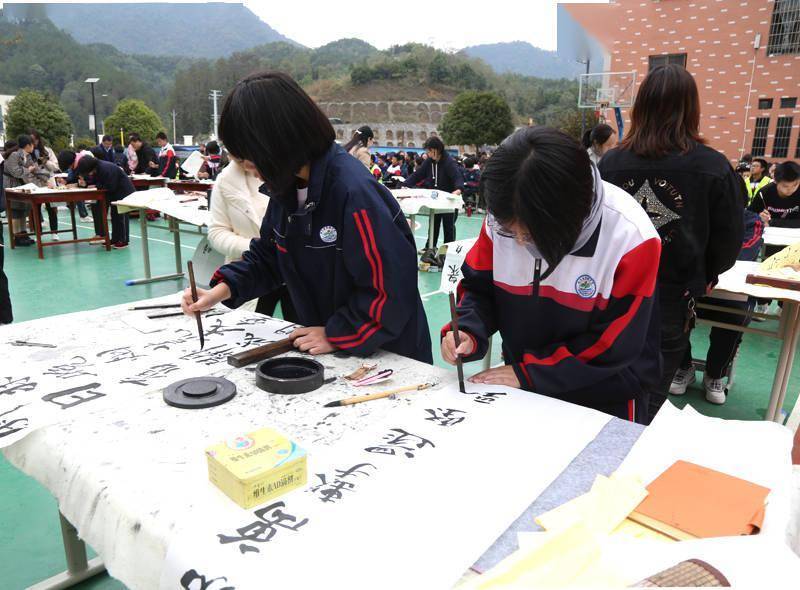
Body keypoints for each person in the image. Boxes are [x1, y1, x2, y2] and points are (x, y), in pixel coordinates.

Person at [180, 71, 431, 363]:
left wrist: (335, 333)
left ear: (279, 141)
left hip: (386, 354)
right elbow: (269, 256)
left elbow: (390, 291)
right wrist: (218, 292)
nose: (247, 166)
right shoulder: (286, 188)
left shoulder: (354, 194)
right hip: (329, 348)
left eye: (249, 155)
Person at [441, 127, 661, 421]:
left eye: (529, 233)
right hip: (527, 382)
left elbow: (613, 347)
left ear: (569, 214)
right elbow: (481, 289)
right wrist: (468, 329)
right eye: (510, 229)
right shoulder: (499, 221)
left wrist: (531, 372)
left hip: (605, 393)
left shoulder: (630, 238)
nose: (518, 241)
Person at [599, 64, 743, 423]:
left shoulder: (610, 164)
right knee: (651, 395)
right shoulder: (712, 166)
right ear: (691, 109)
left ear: (641, 107)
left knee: (602, 383)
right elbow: (729, 240)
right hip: (672, 297)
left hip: (607, 294)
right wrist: (705, 274)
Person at [670, 179, 764, 404]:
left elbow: (744, 254)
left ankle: (715, 373)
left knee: (736, 315)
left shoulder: (751, 221)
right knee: (671, 312)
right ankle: (683, 367)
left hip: (732, 293)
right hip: (697, 289)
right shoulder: (695, 218)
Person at [207, 159, 297, 320]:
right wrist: (256, 247)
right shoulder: (225, 181)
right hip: (253, 270)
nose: (248, 166)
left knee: (303, 329)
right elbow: (217, 232)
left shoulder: (288, 175)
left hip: (293, 270)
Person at [403, 136, 464, 251]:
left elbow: (458, 178)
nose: (428, 154)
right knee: (433, 224)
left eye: (429, 151)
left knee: (448, 227)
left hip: (448, 201)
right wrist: (405, 185)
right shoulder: (429, 162)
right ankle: (430, 248)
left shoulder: (448, 162)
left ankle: (447, 250)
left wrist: (458, 189)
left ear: (436, 150)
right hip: (434, 200)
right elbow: (418, 175)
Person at [74, 155, 134, 248]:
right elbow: (97, 181)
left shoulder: (105, 168)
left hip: (123, 192)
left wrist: (95, 186)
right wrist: (87, 183)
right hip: (114, 193)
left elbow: (110, 186)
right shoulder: (98, 168)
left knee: (121, 217)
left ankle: (123, 240)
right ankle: (115, 239)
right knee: (115, 217)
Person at [58, 149, 106, 242]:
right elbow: (74, 176)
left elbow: (89, 177)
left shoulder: (83, 161)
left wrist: (84, 183)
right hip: (91, 187)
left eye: (70, 166)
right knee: (95, 209)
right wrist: (67, 181)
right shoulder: (74, 161)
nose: (70, 168)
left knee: (98, 210)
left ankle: (102, 235)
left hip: (98, 187)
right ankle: (99, 234)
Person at [2, 135, 37, 246]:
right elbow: (15, 172)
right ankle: (16, 236)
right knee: (15, 210)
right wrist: (28, 169)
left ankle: (23, 234)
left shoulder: (27, 155)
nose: (34, 146)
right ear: (28, 145)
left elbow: (33, 167)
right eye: (32, 144)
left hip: (23, 184)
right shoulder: (14, 155)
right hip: (11, 184)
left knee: (23, 209)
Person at [749, 161, 800, 230]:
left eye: (795, 185)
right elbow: (749, 215)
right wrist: (758, 217)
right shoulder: (765, 192)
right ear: (775, 181)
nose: (790, 189)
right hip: (769, 234)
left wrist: (772, 222)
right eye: (785, 186)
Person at [29, 129, 60, 238]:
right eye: (31, 141)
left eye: (34, 140)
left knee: (52, 207)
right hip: (34, 183)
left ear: (38, 140)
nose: (33, 143)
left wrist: (46, 161)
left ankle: (54, 232)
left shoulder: (47, 151)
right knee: (36, 209)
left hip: (49, 182)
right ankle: (39, 233)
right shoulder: (26, 153)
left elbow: (56, 167)